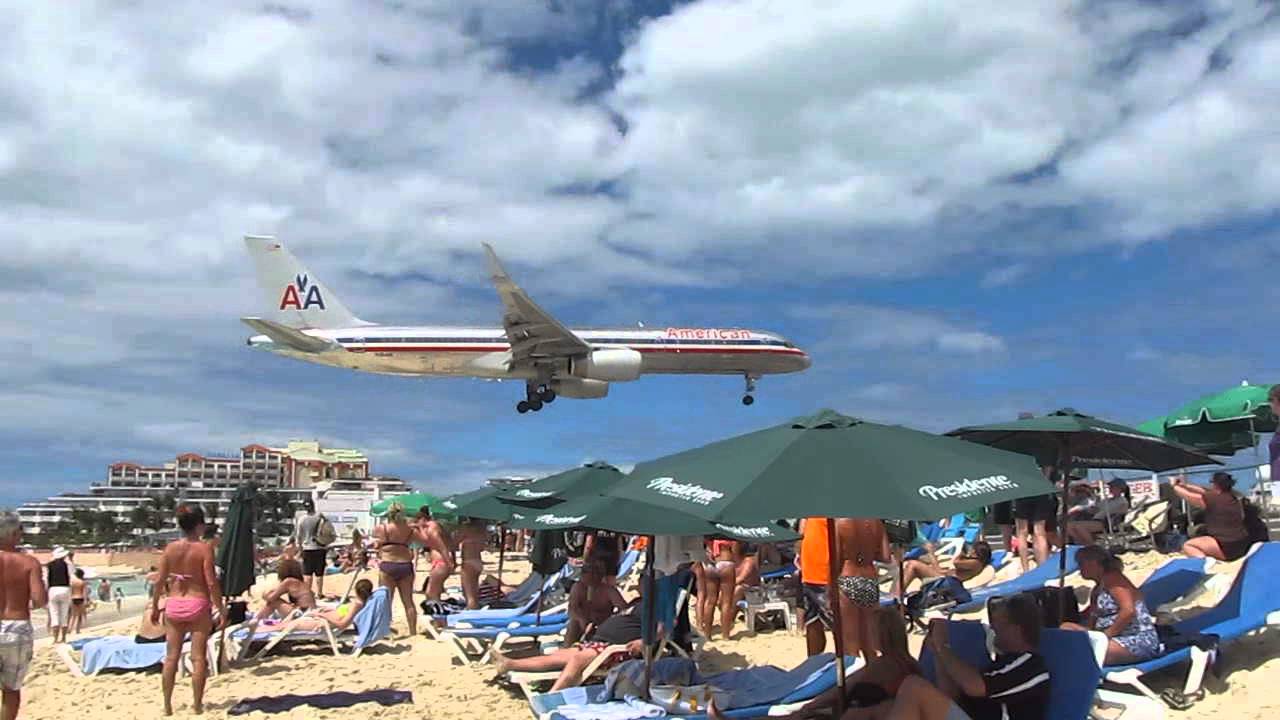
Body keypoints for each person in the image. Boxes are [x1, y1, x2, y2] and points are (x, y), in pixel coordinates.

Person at [849, 593, 1050, 720]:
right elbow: (951, 694)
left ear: (1016, 629)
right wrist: (937, 650)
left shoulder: (1031, 666)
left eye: (999, 623)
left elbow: (975, 687)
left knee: (913, 686)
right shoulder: (1001, 664)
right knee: (877, 710)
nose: (994, 628)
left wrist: (943, 646)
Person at [755, 607, 921, 720]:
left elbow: (841, 691)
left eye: (871, 631)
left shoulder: (882, 666)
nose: (867, 635)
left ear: (882, 635)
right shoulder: (911, 666)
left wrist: (806, 710)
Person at [150, 504, 225, 717]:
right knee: (198, 658)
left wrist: (156, 606)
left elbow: (159, 581)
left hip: (174, 604)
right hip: (198, 604)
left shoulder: (171, 548)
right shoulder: (204, 549)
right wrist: (220, 608)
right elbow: (211, 582)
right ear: (199, 526)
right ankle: (197, 705)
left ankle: (167, 706)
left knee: (171, 657)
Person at [494, 601, 646, 691]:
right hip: (599, 641)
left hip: (616, 649)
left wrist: (643, 642)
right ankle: (509, 664)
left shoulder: (659, 609)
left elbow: (661, 632)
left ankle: (553, 695)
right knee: (557, 656)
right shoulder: (639, 602)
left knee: (578, 660)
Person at [1060, 546, 1161, 664]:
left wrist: (1106, 635)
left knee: (1089, 651)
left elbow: (1128, 611)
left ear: (1094, 563)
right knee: (1066, 628)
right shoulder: (1096, 590)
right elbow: (1092, 623)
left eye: (1081, 563)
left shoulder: (1114, 579)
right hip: (1107, 637)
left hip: (1134, 638)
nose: (1079, 568)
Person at [0, 511, 46, 720]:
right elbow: (39, 600)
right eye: (20, 531)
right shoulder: (29, 563)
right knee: (11, 689)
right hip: (17, 627)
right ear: (11, 533)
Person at [834, 518, 890, 660]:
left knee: (850, 641)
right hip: (869, 577)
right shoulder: (875, 522)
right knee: (870, 641)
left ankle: (854, 676)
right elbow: (885, 556)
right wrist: (867, 554)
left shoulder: (840, 522)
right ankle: (873, 675)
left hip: (848, 575)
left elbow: (837, 558)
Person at [373, 502, 427, 635]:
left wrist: (380, 544)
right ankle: (413, 631)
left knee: (386, 602)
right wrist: (418, 527)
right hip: (405, 565)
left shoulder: (382, 528)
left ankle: (384, 631)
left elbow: (375, 545)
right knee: (408, 601)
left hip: (388, 564)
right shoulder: (409, 529)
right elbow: (424, 540)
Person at [1173, 473, 1252, 561]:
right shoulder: (1233, 496)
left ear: (1215, 485)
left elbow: (1187, 495)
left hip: (1226, 547)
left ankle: (1205, 564)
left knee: (1188, 545)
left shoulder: (1213, 499)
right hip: (1242, 543)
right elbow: (1203, 490)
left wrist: (1175, 486)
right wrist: (1185, 485)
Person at [564, 558, 627, 645]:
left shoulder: (608, 590)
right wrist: (581, 619)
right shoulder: (578, 587)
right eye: (587, 572)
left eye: (596, 573)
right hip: (582, 622)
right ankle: (567, 648)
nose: (592, 576)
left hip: (603, 623)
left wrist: (612, 619)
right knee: (573, 624)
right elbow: (572, 609)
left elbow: (624, 608)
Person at [797, 517, 835, 656]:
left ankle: (848, 668)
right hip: (809, 573)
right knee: (812, 622)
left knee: (838, 628)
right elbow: (801, 534)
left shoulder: (833, 509)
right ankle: (812, 664)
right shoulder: (809, 511)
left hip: (828, 575)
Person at [901, 540, 993, 590]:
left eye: (972, 549)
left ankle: (895, 595)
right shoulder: (974, 563)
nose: (970, 551)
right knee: (913, 564)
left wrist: (962, 553)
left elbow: (956, 562)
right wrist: (931, 554)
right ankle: (898, 592)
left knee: (913, 565)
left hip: (947, 583)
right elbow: (939, 570)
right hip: (944, 578)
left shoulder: (976, 563)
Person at [1014, 468, 1057, 572]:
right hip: (1041, 490)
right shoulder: (1047, 453)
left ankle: (1026, 569)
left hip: (1023, 489)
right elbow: (1048, 470)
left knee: (1022, 533)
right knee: (1039, 532)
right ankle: (1042, 568)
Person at [290, 579, 374, 633]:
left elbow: (342, 624)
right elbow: (340, 612)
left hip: (324, 623)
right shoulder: (357, 603)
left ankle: (276, 632)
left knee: (290, 625)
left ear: (356, 590)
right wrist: (327, 610)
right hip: (321, 618)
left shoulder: (357, 605)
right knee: (289, 622)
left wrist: (321, 615)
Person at [696, 537, 738, 641]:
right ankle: (725, 635)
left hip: (711, 564)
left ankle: (707, 635)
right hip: (726, 562)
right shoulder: (727, 532)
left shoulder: (709, 532)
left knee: (710, 601)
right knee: (726, 602)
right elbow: (736, 550)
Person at [1067, 480, 1132, 546]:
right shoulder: (1107, 500)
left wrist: (1092, 509)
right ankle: (1082, 543)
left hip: (1106, 523)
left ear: (1119, 489)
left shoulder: (1122, 501)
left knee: (1079, 526)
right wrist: (1081, 508)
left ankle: (1092, 546)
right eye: (1110, 487)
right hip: (1096, 520)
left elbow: (1106, 511)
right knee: (1069, 526)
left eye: (1112, 487)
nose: (1110, 488)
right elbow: (1095, 508)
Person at [291, 500, 330, 599]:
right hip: (320, 547)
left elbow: (299, 536)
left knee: (307, 573)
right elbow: (328, 529)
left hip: (307, 548)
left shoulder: (302, 519)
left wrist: (300, 550)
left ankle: (308, 593)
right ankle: (319, 593)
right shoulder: (320, 517)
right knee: (319, 573)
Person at [415, 507, 454, 601]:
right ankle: (438, 611)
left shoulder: (432, 527)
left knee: (430, 593)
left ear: (423, 519)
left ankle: (437, 612)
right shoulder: (433, 527)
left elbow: (442, 547)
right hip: (440, 561)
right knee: (435, 592)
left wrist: (449, 562)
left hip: (442, 561)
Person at [456, 517, 489, 609]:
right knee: (474, 592)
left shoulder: (466, 528)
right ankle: (474, 610)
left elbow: (454, 542)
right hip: (478, 561)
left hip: (468, 562)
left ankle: (471, 614)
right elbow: (483, 547)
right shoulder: (482, 530)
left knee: (469, 595)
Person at [44, 546, 73, 644]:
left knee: (54, 614)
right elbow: (71, 577)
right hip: (65, 588)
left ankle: (55, 639)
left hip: (53, 589)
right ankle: (63, 638)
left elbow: (46, 580)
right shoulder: (68, 564)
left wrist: (46, 592)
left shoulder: (49, 565)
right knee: (64, 615)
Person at [69, 569, 89, 635]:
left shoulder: (72, 582)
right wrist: (86, 601)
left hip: (73, 598)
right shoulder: (82, 582)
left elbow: (70, 591)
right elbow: (84, 593)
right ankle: (77, 630)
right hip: (80, 598)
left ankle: (70, 629)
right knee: (79, 616)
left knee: (73, 615)